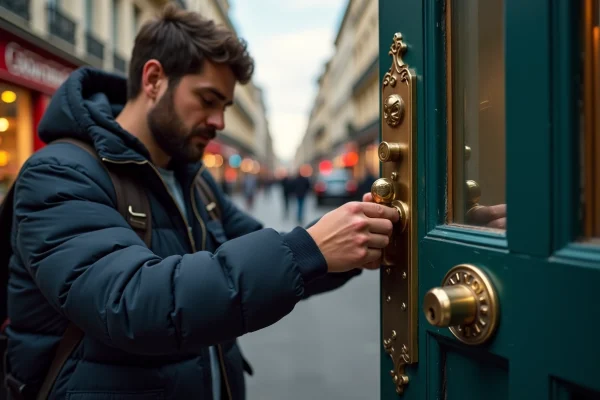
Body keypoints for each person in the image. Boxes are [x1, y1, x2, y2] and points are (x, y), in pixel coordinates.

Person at [4, 3, 399, 399]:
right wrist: (309, 249)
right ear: (154, 79)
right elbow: (131, 304)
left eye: (225, 106)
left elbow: (266, 256)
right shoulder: (58, 173)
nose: (220, 122)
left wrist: (349, 245)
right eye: (208, 100)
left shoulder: (194, 179)